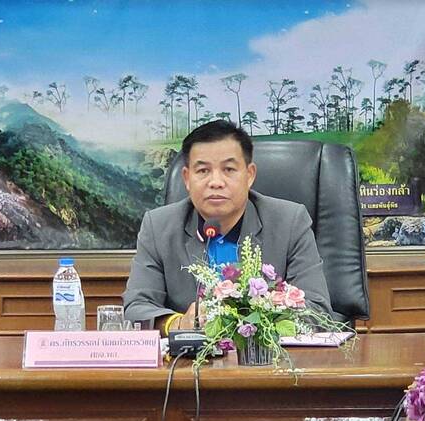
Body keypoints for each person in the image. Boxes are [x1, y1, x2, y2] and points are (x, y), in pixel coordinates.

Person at [123, 120, 333, 335]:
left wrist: (249, 322)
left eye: (229, 169)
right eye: (203, 170)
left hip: (264, 354)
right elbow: (136, 308)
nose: (216, 182)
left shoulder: (289, 222)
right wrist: (178, 323)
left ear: (249, 175)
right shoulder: (158, 227)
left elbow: (317, 311)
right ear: (186, 178)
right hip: (190, 355)